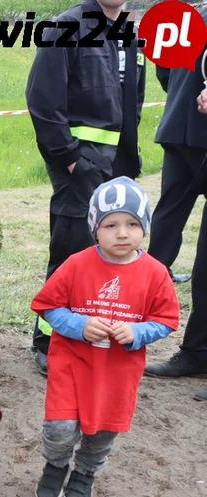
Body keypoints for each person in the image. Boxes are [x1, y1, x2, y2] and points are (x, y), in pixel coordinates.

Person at [31, 177, 179, 497]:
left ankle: (85, 472)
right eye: (110, 224)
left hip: (117, 373)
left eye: (132, 223)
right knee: (59, 427)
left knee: (102, 433)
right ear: (95, 228)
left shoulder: (155, 273)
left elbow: (167, 320)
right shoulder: (76, 264)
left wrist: (138, 332)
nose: (122, 233)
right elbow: (47, 306)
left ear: (145, 228)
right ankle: (55, 465)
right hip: (72, 363)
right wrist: (78, 325)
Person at [25, 0, 145, 376]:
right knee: (70, 253)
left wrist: (128, 159)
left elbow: (133, 97)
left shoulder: (130, 31)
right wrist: (70, 157)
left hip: (118, 163)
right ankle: (48, 341)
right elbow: (42, 101)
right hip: (79, 165)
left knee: (112, 254)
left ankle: (96, 333)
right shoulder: (66, 27)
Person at [149, 50, 207, 392]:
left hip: (180, 122)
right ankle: (196, 351)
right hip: (186, 127)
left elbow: (164, 71)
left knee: (168, 217)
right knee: (168, 220)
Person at [144, 16, 207, 285]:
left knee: (170, 206)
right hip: (201, 128)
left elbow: (163, 67)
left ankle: (154, 274)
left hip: (176, 123)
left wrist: (178, 93)